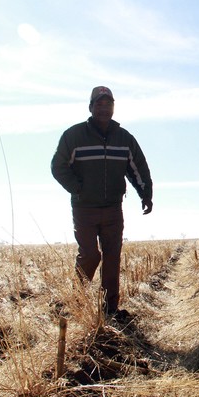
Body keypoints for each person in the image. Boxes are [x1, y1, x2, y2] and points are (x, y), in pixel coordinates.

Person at [51, 85, 153, 319]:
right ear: (91, 107)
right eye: (99, 103)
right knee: (90, 254)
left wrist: (146, 194)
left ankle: (110, 309)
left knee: (112, 257)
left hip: (113, 209)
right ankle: (76, 299)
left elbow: (138, 168)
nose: (104, 108)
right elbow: (58, 166)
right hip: (84, 208)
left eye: (108, 104)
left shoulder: (124, 138)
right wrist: (78, 189)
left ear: (113, 108)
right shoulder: (74, 135)